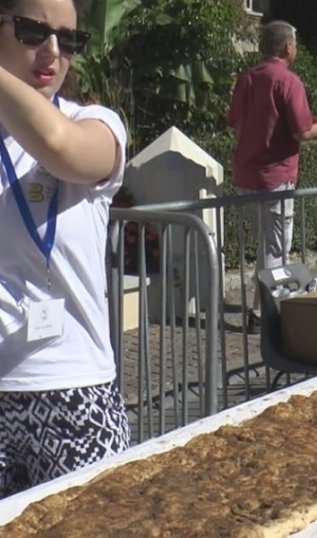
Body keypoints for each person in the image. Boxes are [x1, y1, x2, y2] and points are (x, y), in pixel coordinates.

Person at [0, 0, 130, 497]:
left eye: (69, 40)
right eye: (34, 31)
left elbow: (59, 147)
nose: (52, 52)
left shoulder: (95, 123)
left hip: (76, 393)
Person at [228, 21, 317, 333]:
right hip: (276, 177)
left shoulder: (246, 78)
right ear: (288, 47)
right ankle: (264, 315)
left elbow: (235, 123)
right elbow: (302, 131)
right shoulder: (288, 81)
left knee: (264, 247)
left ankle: (267, 305)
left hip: (246, 174)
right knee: (275, 250)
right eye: (295, 44)